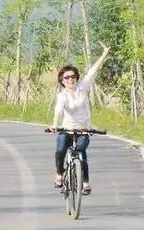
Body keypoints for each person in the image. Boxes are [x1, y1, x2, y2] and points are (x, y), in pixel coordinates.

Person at [50, 42, 110, 195]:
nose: (70, 80)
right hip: (66, 129)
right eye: (67, 77)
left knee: (81, 151)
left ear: (77, 78)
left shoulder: (83, 88)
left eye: (73, 77)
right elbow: (58, 110)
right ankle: (59, 174)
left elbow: (93, 71)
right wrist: (55, 125)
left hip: (83, 129)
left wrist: (104, 54)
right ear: (62, 81)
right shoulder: (62, 96)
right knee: (60, 149)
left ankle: (85, 182)